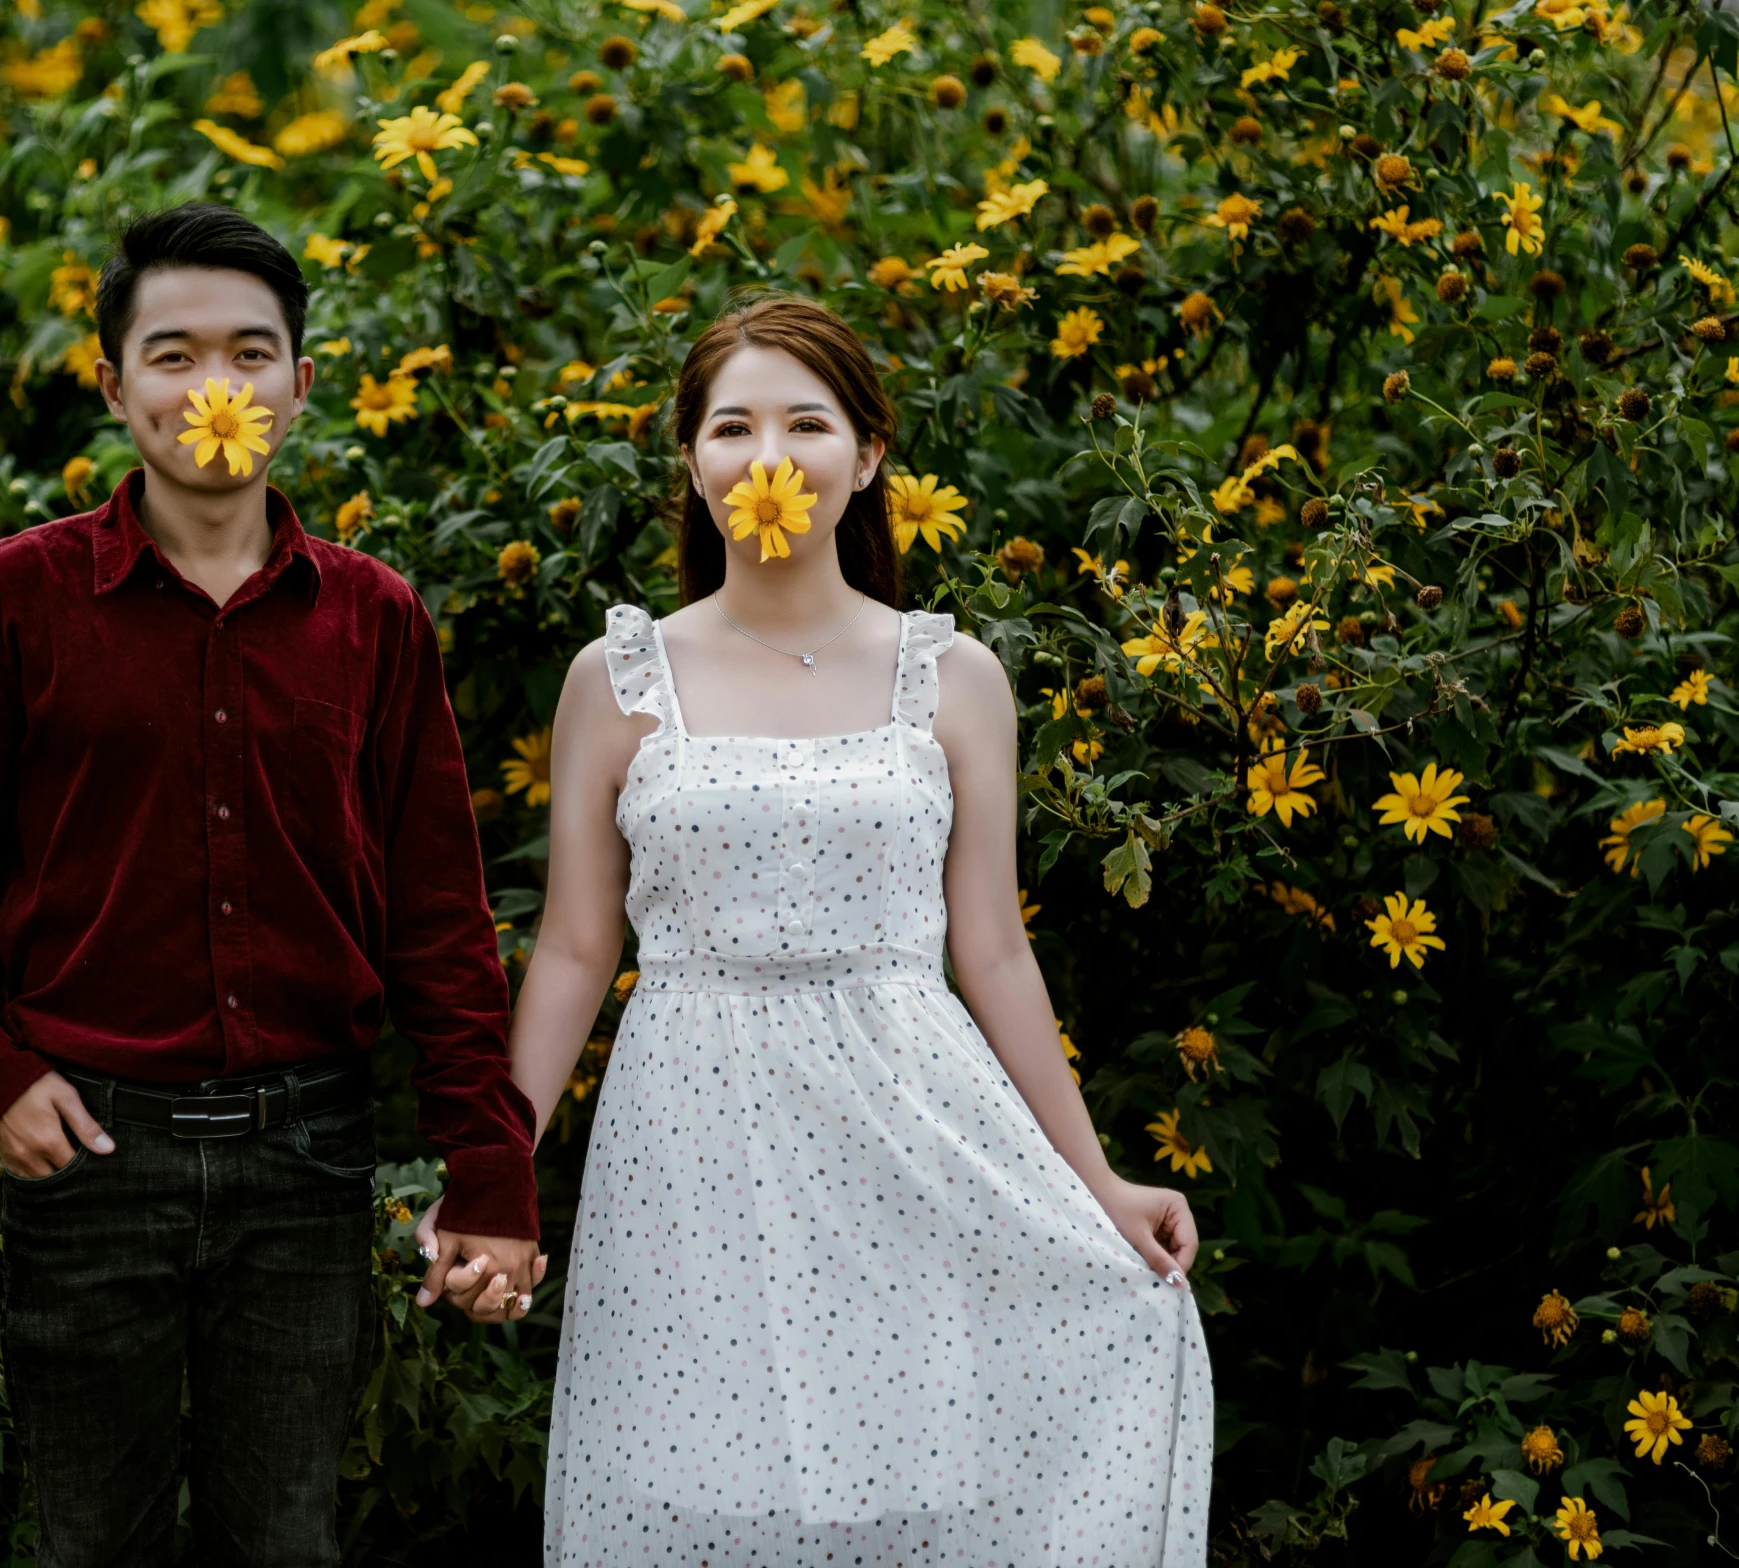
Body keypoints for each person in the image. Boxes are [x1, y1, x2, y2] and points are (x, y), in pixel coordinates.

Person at [421, 292, 1215, 1563]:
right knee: (693, 1483)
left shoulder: (952, 678)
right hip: (689, 1127)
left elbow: (993, 948)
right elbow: (574, 947)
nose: (770, 455)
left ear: (869, 454)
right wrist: (494, 1167)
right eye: (733, 425)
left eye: (808, 421)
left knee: (908, 1481)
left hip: (909, 1119)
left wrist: (1097, 1178)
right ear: (692, 461)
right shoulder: (616, 680)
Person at [0, 201, 542, 1567]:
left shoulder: (373, 617)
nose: (212, 387)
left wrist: (490, 1167)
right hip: (92, 1149)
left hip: (306, 1158)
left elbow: (439, 921)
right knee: (87, 1538)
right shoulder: (11, 601)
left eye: (249, 353)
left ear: (298, 383)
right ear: (111, 384)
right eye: (172, 355)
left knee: (283, 1537)